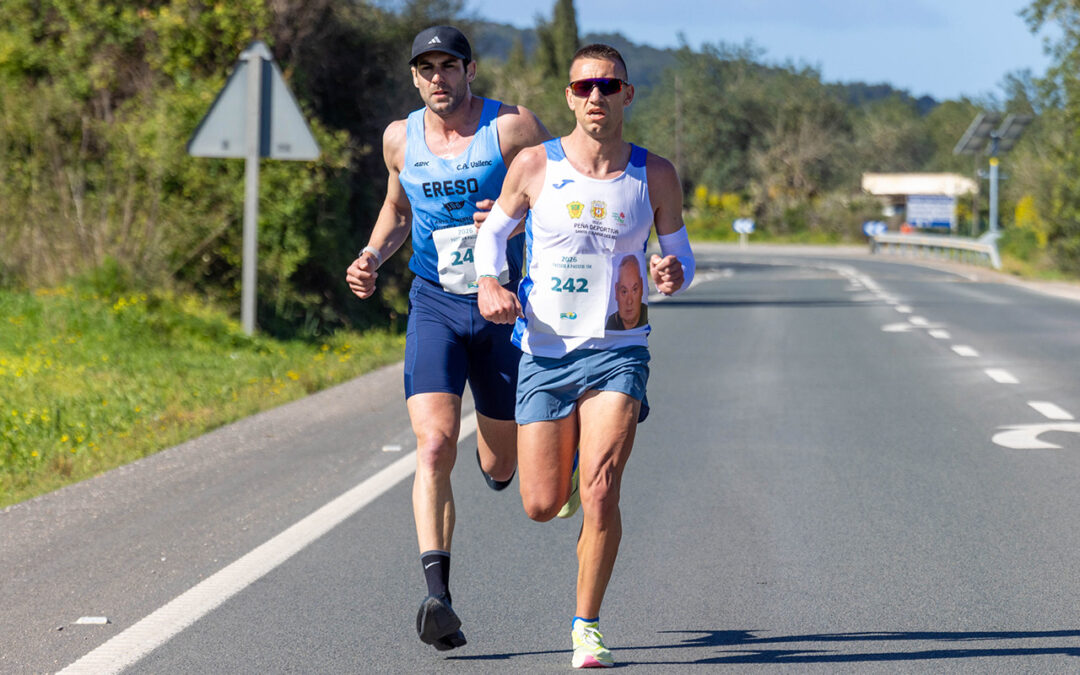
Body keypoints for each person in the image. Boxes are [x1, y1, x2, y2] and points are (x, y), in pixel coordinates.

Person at [472, 43, 695, 669]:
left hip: (619, 349)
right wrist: (490, 283)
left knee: (602, 491)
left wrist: (674, 273)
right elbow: (493, 234)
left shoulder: (655, 175)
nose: (596, 96)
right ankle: (567, 465)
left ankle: (586, 626)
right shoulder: (534, 165)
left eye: (609, 85)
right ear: (570, 97)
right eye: (584, 86)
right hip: (544, 350)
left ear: (627, 94)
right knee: (541, 504)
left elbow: (681, 256)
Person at [344, 25, 549, 652]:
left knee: (498, 462)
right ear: (413, 77)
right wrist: (374, 255)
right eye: (426, 68)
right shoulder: (399, 138)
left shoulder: (511, 128)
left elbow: (559, 198)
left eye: (449, 66)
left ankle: (510, 461)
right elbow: (398, 211)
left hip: (502, 307)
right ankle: (439, 597)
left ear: (471, 70)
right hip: (433, 303)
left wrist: (513, 217)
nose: (438, 78)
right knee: (433, 446)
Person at [605, 254, 648, 331]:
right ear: (616, 291)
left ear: (642, 287)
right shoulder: (609, 323)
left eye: (634, 290)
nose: (629, 301)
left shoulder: (644, 321)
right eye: (624, 292)